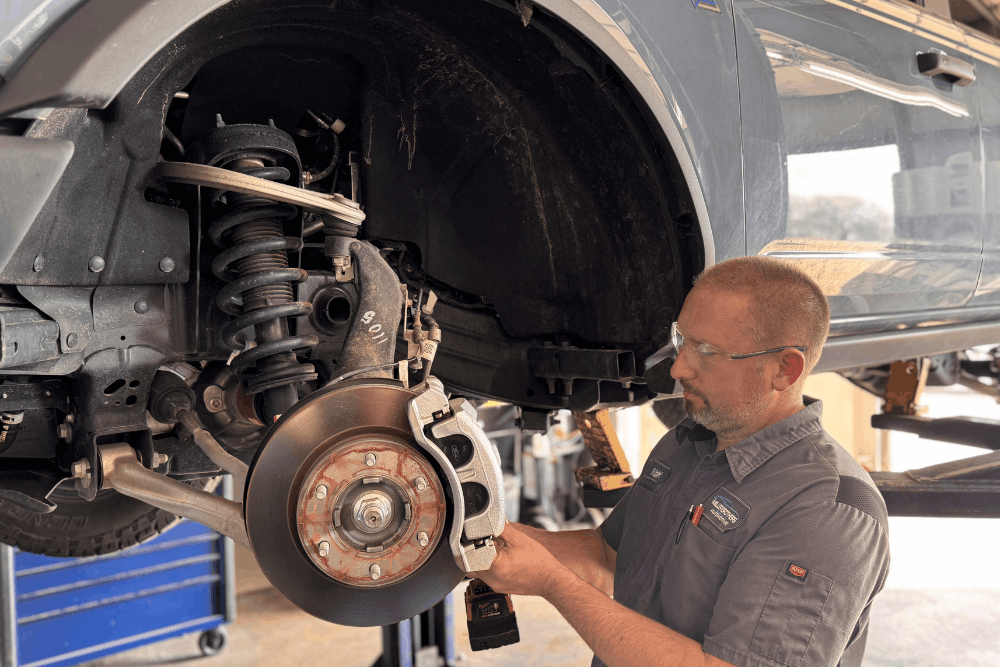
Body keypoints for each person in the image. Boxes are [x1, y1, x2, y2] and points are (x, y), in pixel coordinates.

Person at [474, 256, 890, 667]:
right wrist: (472, 539)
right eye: (682, 342)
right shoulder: (687, 443)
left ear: (784, 369)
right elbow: (609, 556)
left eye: (706, 350)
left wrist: (551, 583)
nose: (678, 366)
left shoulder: (828, 510)